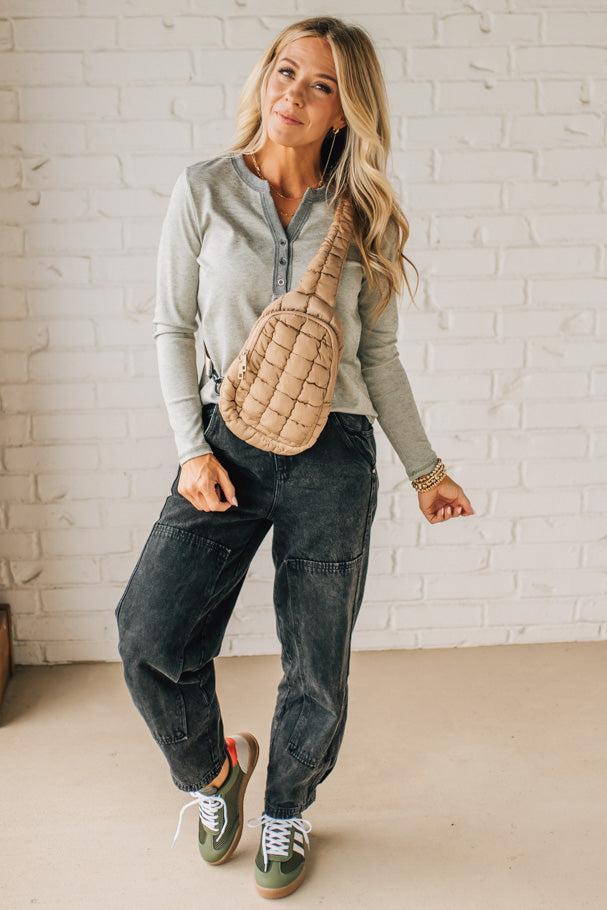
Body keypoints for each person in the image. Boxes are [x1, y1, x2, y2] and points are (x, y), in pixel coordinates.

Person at [114, 15, 474, 900]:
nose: (294, 94)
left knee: (316, 658)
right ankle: (213, 777)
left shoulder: (367, 216)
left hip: (334, 455)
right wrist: (191, 451)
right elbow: (172, 326)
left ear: (346, 109)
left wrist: (427, 471)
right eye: (285, 71)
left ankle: (286, 808)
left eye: (320, 85)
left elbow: (377, 359)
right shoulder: (203, 189)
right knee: (149, 633)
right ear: (263, 77)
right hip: (224, 447)